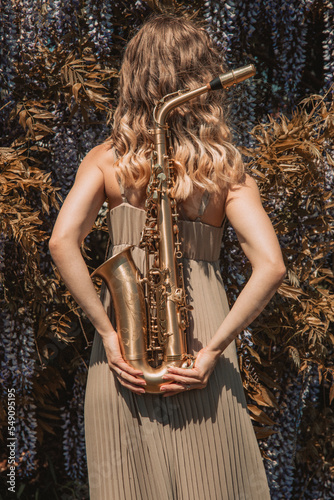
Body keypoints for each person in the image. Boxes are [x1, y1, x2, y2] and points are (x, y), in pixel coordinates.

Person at [49, 13, 285, 500]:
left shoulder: (106, 160)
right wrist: (215, 350)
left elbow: (60, 241)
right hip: (201, 348)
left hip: (125, 354)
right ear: (200, 79)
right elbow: (272, 265)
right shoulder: (226, 171)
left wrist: (107, 334)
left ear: (135, 77)